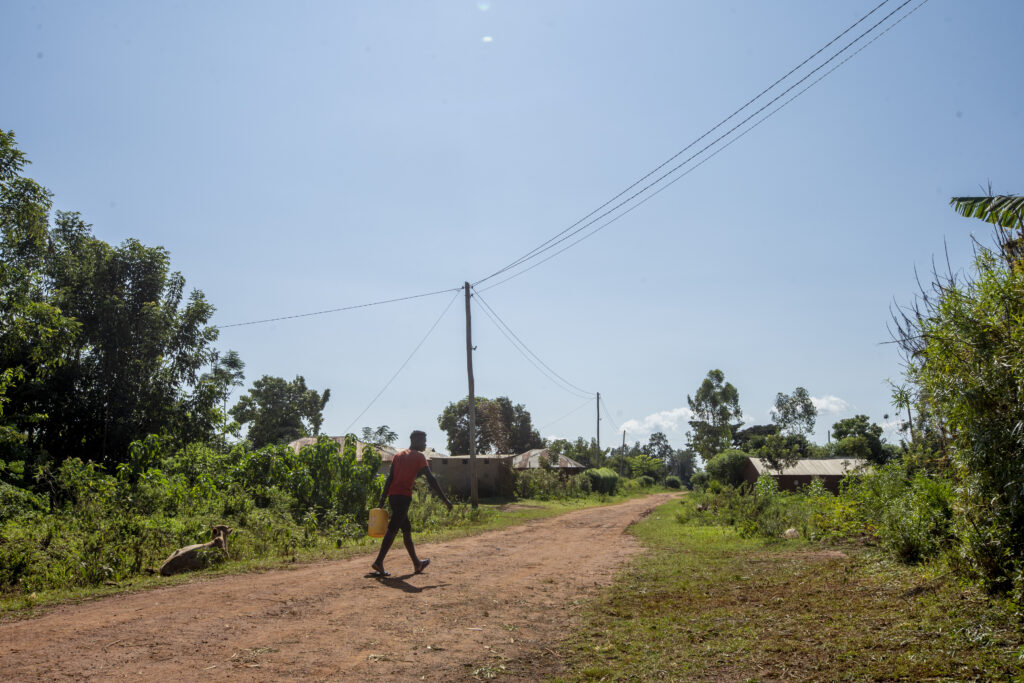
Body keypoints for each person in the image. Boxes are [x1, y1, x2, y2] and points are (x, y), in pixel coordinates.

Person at [371, 430, 453, 577]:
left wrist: (382, 500)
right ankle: (378, 561)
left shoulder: (398, 455)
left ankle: (417, 563)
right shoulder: (420, 457)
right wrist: (445, 499)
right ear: (415, 440)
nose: (425, 444)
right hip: (403, 497)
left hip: (393, 497)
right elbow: (431, 479)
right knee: (393, 528)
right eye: (424, 440)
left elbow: (389, 479)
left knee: (406, 529)